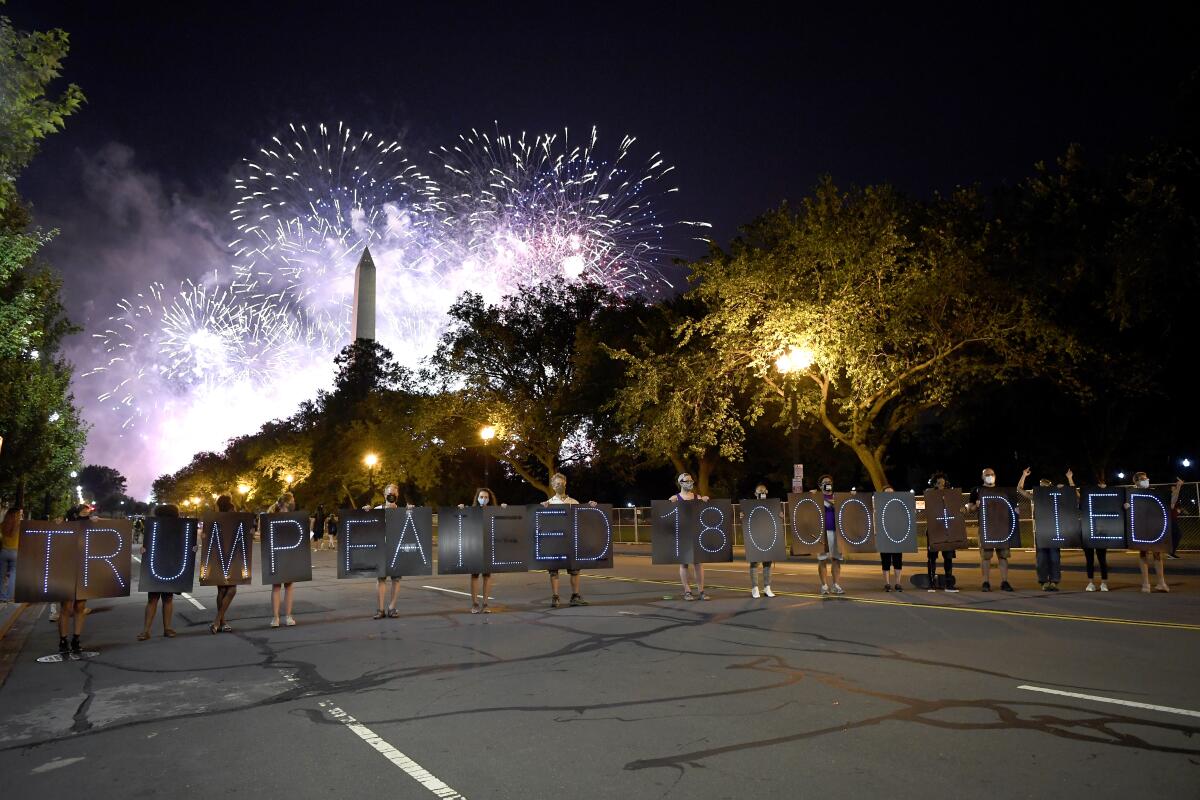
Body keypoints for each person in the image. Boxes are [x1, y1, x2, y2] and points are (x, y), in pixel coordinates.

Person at [541, 472, 598, 608]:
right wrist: (541, 508)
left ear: (565, 484)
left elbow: (583, 519)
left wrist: (591, 506)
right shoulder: (548, 503)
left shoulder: (574, 502)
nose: (559, 485)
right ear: (553, 486)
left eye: (561, 483)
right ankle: (555, 597)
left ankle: (575, 596)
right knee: (554, 571)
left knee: (575, 570)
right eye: (557, 484)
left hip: (570, 542)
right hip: (555, 542)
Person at [1018, 467, 1068, 591]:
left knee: (1054, 558)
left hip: (1054, 531)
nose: (1042, 487)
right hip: (1041, 532)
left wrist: (1067, 485)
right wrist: (1024, 475)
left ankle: (1054, 581)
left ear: (1050, 486)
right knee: (1041, 559)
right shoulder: (1036, 497)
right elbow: (1019, 490)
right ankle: (1044, 581)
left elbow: (1073, 496)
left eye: (1045, 484)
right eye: (1040, 485)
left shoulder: (1056, 495)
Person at [1131, 474, 1182, 593]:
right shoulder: (1131, 493)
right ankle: (1146, 584)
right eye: (1143, 479)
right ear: (1136, 482)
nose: (1146, 480)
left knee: (1157, 554)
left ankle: (1161, 582)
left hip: (1154, 526)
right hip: (1141, 527)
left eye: (1147, 478)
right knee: (1143, 553)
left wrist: (1178, 488)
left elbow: (1171, 503)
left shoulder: (1154, 493)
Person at [138, 504, 183, 641]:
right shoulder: (178, 527)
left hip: (158, 565)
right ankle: (166, 629)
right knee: (166, 599)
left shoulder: (155, 527)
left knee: (153, 599)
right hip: (169, 566)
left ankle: (147, 630)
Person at [965, 467, 1013, 591]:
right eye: (987, 475)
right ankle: (985, 582)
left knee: (1003, 556)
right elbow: (970, 509)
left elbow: (1010, 507)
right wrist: (976, 505)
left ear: (995, 476)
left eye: (991, 474)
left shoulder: (1002, 490)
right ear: (982, 477)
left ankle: (1005, 581)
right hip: (986, 529)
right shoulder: (976, 490)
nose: (989, 476)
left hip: (1001, 528)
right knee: (986, 556)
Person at [459, 488, 500, 613]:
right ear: (477, 498)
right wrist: (460, 509)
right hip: (474, 547)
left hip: (488, 547)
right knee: (475, 575)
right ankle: (475, 604)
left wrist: (503, 508)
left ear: (489, 499)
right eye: (481, 497)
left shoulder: (493, 511)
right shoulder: (471, 511)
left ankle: (486, 604)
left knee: (487, 576)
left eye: (486, 497)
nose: (484, 499)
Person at [670, 473, 710, 600]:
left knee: (698, 563)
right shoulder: (675, 498)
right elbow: (668, 516)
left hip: (696, 534)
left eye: (691, 480)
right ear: (680, 482)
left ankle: (701, 590)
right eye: (687, 481)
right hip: (682, 535)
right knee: (684, 564)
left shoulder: (697, 497)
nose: (690, 483)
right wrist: (670, 503)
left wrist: (704, 501)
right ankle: (687, 591)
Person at [208, 495, 240, 634]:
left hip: (217, 555)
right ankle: (219, 621)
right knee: (231, 590)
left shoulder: (214, 517)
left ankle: (220, 621)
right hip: (230, 555)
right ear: (230, 505)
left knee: (222, 590)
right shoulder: (232, 514)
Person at [373, 484, 403, 619]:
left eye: (394, 493)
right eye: (389, 493)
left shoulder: (402, 511)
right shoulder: (378, 510)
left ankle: (392, 607)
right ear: (385, 495)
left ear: (397, 496)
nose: (392, 496)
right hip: (382, 549)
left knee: (396, 580)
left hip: (396, 549)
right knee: (381, 580)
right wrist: (366, 512)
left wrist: (412, 512)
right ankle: (380, 609)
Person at [926, 472, 958, 592]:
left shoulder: (950, 494)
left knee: (948, 557)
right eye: (939, 483)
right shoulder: (930, 493)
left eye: (943, 483)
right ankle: (931, 583)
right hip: (934, 530)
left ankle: (949, 583)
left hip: (947, 530)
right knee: (932, 557)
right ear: (934, 483)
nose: (941, 485)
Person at [270, 492, 298, 626]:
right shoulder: (273, 518)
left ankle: (284, 616)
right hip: (278, 555)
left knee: (287, 586)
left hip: (287, 554)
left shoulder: (293, 518)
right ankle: (278, 617)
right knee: (278, 586)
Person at [816, 474, 845, 596]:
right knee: (822, 560)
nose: (827, 483)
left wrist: (853, 496)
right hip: (822, 534)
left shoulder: (839, 498)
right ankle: (824, 586)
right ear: (820, 485)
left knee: (836, 559)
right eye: (824, 482)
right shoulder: (816, 497)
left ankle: (836, 585)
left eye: (829, 481)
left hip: (836, 533)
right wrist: (812, 494)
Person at [747, 483, 775, 598]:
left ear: (767, 492)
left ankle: (767, 587)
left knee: (767, 562)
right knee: (754, 563)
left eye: (764, 490)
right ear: (755, 493)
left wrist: (780, 516)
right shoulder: (750, 506)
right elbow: (745, 520)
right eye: (759, 491)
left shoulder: (772, 505)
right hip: (755, 537)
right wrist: (742, 515)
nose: (762, 492)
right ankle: (755, 588)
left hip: (767, 536)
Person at [1083, 476, 1111, 592]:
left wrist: (1105, 490)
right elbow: (1075, 493)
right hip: (1088, 531)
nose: (1100, 486)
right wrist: (1070, 479)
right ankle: (1091, 583)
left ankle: (1104, 583)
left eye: (1102, 485)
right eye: (1098, 485)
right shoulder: (1086, 499)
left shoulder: (1105, 500)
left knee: (1102, 559)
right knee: (1089, 559)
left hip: (1101, 532)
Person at [878, 486, 903, 592]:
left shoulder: (899, 506)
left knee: (898, 560)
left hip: (897, 536)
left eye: (891, 493)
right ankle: (887, 583)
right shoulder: (879, 506)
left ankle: (898, 583)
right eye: (886, 493)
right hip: (884, 537)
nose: (889, 495)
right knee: (885, 561)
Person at [0, 507, 19, 604]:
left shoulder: (2, 525)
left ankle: (2, 596)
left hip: (3, 552)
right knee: (13, 574)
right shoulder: (19, 526)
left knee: (1, 575)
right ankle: (10, 596)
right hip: (15, 552)